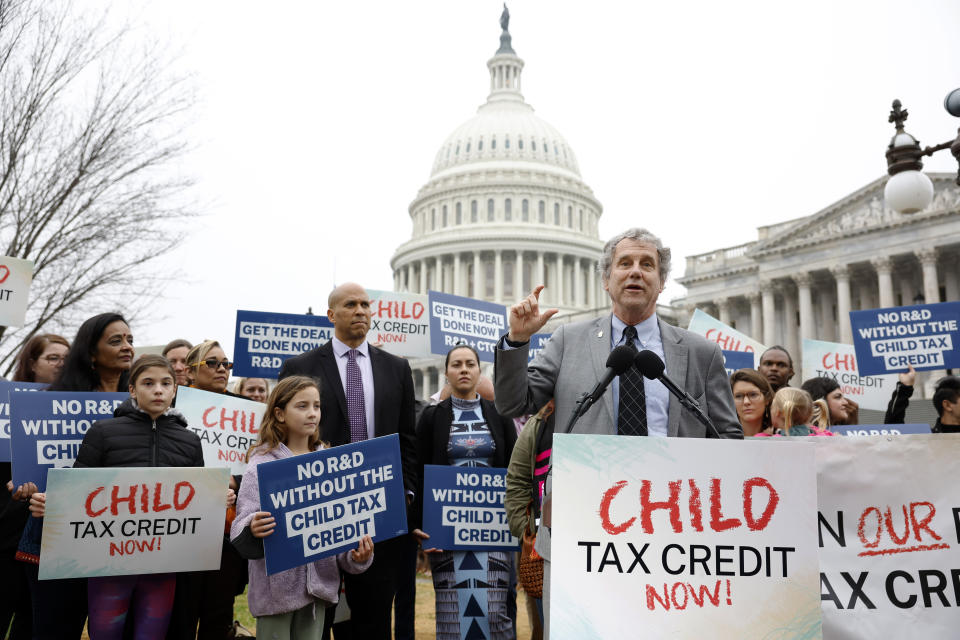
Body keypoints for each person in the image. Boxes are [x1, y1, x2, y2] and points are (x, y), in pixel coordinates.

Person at [494, 228, 742, 634]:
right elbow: (512, 403)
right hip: (584, 519)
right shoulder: (567, 340)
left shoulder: (700, 352)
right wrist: (518, 341)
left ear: (661, 283)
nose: (635, 272)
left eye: (647, 265)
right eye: (624, 264)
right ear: (606, 279)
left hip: (672, 524)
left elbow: (729, 439)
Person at [278, 282, 417, 640]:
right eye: (351, 304)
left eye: (366, 304)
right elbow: (285, 439)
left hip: (379, 512)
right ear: (331, 315)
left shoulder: (397, 368)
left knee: (371, 618)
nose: (360, 310)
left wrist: (408, 494)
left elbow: (407, 437)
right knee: (318, 620)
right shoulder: (300, 366)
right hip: (320, 509)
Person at [31, 355, 205, 639]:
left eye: (165, 383)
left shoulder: (190, 440)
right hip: (108, 563)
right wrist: (52, 503)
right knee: (106, 633)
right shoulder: (103, 432)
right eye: (148, 383)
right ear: (133, 390)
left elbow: (198, 498)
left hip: (164, 563)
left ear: (175, 389)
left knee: (152, 634)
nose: (158, 390)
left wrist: (219, 498)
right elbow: (77, 488)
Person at [18, 313, 134, 640]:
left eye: (129, 339)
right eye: (116, 340)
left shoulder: (143, 405)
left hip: (120, 536)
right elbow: (32, 469)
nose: (127, 347)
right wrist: (26, 484)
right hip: (54, 536)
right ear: (91, 353)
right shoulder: (52, 403)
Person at [230, 376, 373, 639]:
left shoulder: (331, 464)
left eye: (316, 406)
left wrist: (355, 557)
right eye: (302, 406)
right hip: (275, 595)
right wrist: (253, 526)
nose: (312, 413)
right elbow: (241, 523)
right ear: (279, 413)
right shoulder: (261, 464)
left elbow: (338, 528)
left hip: (319, 592)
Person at [412, 345, 518, 640]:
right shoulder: (432, 417)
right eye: (456, 364)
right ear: (446, 372)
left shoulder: (499, 416)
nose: (463, 369)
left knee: (496, 611)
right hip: (446, 532)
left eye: (470, 364)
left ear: (478, 370)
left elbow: (512, 467)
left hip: (492, 530)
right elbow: (420, 471)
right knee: (452, 613)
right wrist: (421, 524)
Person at [167, 339, 246, 640]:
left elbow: (254, 459)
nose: (222, 369)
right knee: (181, 615)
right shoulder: (172, 412)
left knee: (218, 615)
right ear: (188, 372)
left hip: (226, 530)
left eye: (226, 364)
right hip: (183, 527)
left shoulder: (245, 414)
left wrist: (235, 481)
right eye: (212, 363)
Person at [1, 335, 71, 638]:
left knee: (32, 620)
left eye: (66, 358)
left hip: (49, 536)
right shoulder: (4, 402)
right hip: (7, 531)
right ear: (32, 363)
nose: (61, 364)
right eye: (53, 358)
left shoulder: (76, 407)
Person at [504, 399, 554, 640]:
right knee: (547, 626)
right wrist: (526, 530)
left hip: (594, 543)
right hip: (544, 549)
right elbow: (517, 481)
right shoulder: (537, 425)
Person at [763, 387, 834, 437]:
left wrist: (765, 435)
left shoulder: (773, 443)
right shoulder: (825, 436)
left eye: (771, 407)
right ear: (810, 413)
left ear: (777, 412)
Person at [729, 369, 773, 436]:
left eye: (753, 395)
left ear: (767, 399)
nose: (746, 402)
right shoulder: (720, 438)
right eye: (738, 396)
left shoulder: (783, 437)